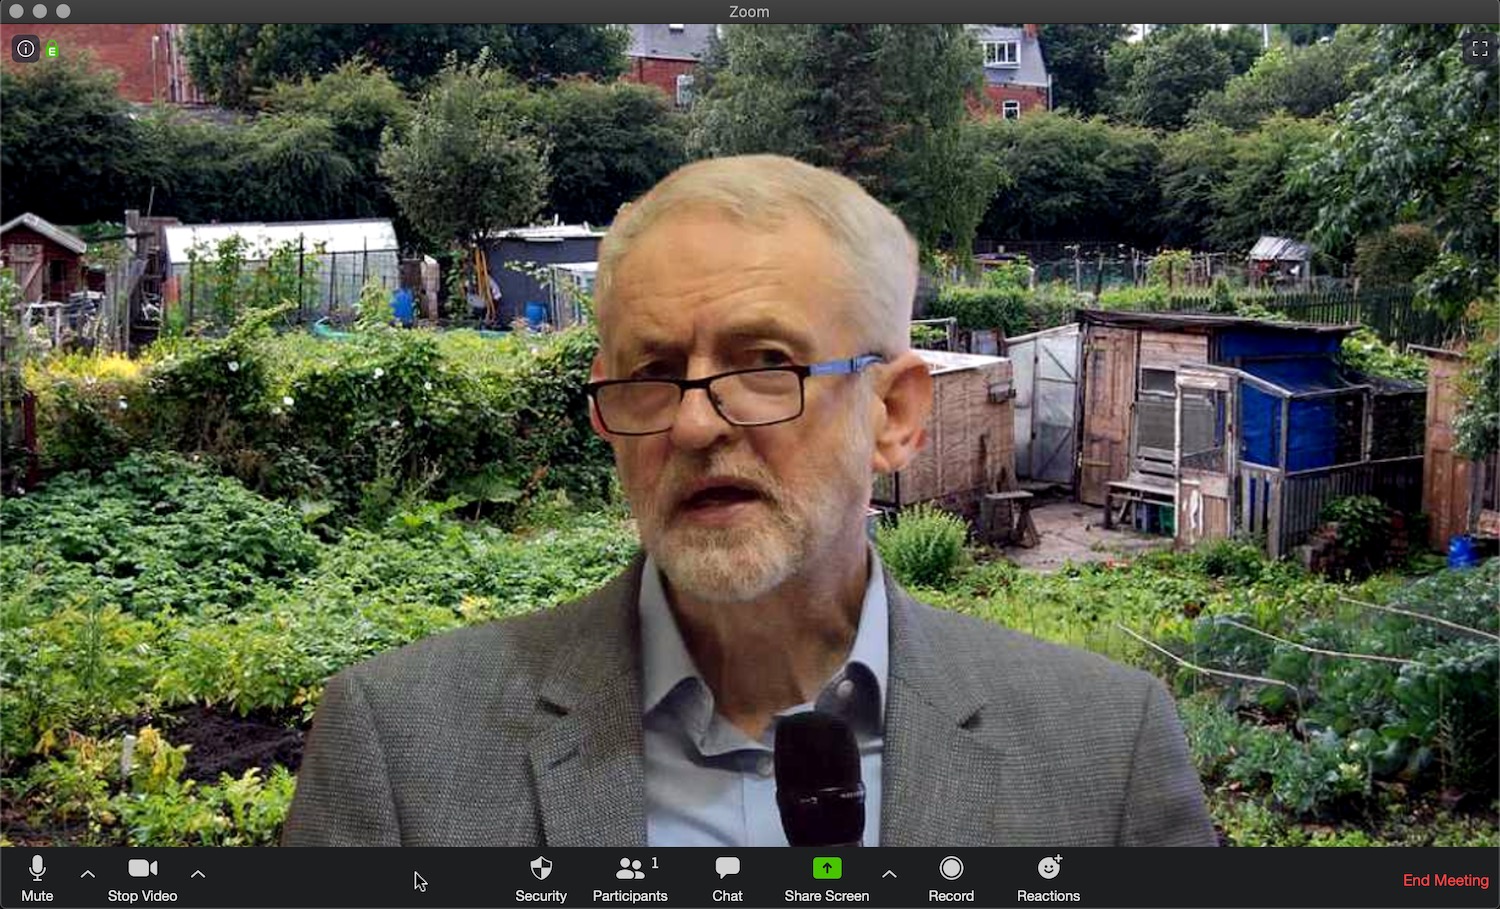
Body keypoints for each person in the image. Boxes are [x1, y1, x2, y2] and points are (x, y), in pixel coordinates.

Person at [282, 155, 1216, 848]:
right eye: (652, 373)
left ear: (894, 413)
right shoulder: (398, 750)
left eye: (767, 366)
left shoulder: (1106, 751)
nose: (694, 426)